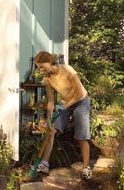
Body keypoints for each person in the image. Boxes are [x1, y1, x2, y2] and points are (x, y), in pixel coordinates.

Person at [32, 51, 92, 180]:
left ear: (50, 61)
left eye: (42, 66)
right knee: (51, 131)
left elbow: (80, 93)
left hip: (81, 102)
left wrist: (65, 106)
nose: (40, 70)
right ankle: (44, 164)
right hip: (66, 103)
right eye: (38, 67)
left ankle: (87, 168)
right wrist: (48, 119)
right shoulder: (47, 79)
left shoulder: (67, 70)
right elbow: (51, 101)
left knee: (81, 137)